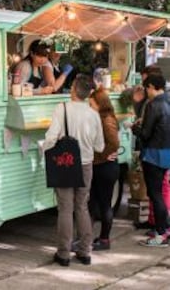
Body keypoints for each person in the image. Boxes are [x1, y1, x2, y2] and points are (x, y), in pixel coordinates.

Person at [43, 74, 105, 266]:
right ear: (88, 94)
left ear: (73, 89)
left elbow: (52, 137)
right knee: (82, 207)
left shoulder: (61, 109)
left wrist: (44, 148)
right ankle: (85, 252)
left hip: (65, 164)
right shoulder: (94, 115)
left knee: (65, 209)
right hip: (86, 165)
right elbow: (100, 147)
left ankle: (63, 254)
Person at [131, 74, 170, 247]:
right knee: (160, 193)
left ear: (152, 87)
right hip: (166, 153)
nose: (146, 92)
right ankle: (164, 229)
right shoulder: (168, 100)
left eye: (147, 88)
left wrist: (134, 128)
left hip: (153, 154)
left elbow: (145, 134)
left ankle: (161, 234)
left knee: (155, 195)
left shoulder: (154, 105)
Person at [88, 88, 120, 251]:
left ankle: (104, 239)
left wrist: (102, 156)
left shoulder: (106, 119)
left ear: (99, 104)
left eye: (91, 103)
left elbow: (114, 144)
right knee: (92, 203)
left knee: (104, 204)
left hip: (105, 168)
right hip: (100, 166)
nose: (89, 106)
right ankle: (86, 238)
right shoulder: (100, 118)